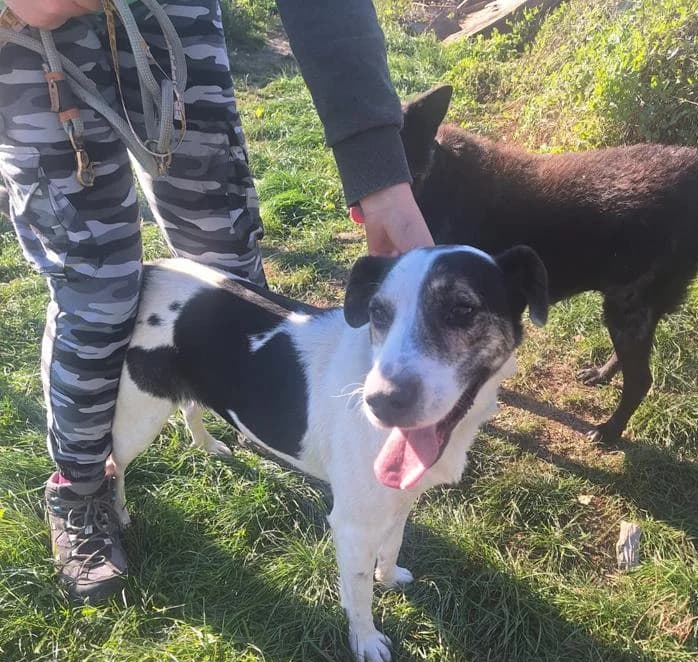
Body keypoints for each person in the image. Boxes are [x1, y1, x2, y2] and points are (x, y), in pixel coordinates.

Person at [0, 0, 433, 601]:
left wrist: (377, 169)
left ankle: (248, 419)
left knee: (228, 270)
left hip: (169, 15)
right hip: (26, 38)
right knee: (97, 287)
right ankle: (79, 487)